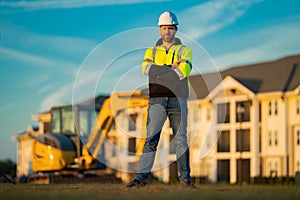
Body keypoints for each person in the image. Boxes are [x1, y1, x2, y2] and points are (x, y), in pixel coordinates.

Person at [126, 11, 194, 188]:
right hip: (156, 100)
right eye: (164, 28)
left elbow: (182, 73)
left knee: (180, 140)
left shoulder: (185, 50)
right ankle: (140, 179)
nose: (167, 32)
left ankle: (185, 180)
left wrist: (161, 71)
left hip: (178, 100)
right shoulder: (151, 51)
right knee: (151, 139)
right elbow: (146, 70)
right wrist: (170, 67)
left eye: (170, 28)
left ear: (176, 29)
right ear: (159, 29)